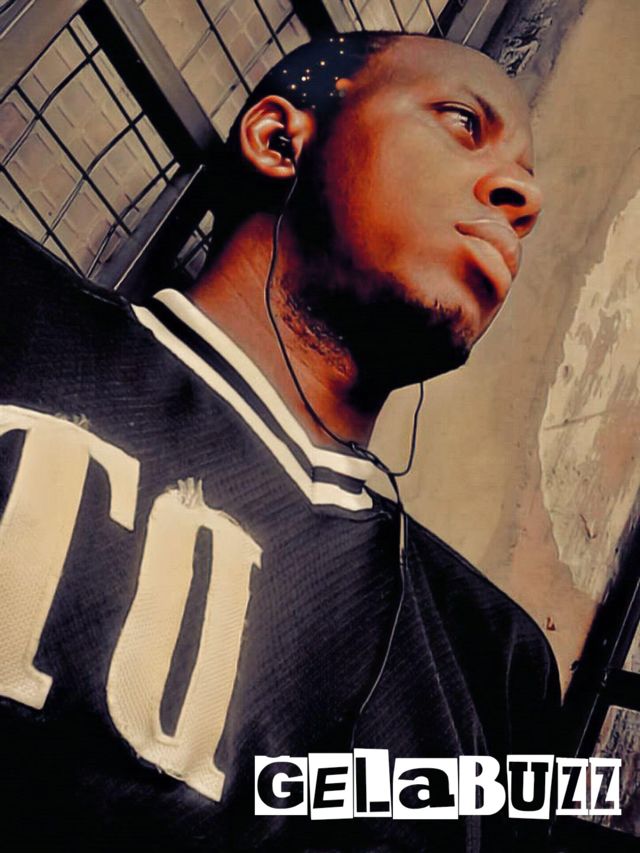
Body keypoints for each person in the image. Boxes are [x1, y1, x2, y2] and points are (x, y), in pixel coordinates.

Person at [0, 31, 559, 852]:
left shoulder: (492, 661)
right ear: (276, 138)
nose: (523, 198)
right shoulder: (18, 320)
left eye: (528, 185)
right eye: (462, 122)